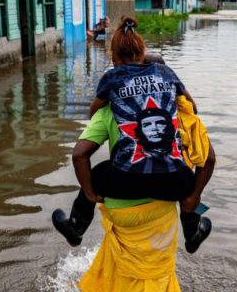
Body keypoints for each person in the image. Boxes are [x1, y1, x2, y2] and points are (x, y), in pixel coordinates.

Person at [52, 17, 213, 255]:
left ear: (113, 57)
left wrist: (89, 192)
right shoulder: (166, 72)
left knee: (96, 173)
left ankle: (75, 229)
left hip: (124, 181)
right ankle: (192, 233)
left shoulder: (112, 78)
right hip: (174, 184)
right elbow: (194, 112)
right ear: (143, 52)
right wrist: (193, 196)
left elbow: (80, 152)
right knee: (189, 176)